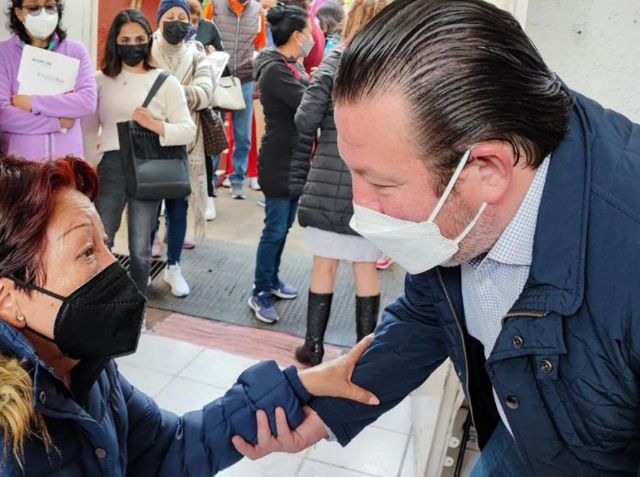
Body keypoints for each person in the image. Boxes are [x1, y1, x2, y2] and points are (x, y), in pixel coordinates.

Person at [233, 0, 640, 474]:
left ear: (487, 171)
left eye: (381, 184)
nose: (360, 207)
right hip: (521, 434)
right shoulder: (465, 210)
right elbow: (431, 310)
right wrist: (330, 407)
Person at [0, 156, 379, 475]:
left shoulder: (68, 356)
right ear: (3, 296)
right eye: (86, 252)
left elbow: (163, 448)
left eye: (106, 243)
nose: (115, 266)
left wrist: (294, 392)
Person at [293, 0, 387, 366]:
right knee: (365, 268)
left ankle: (312, 347)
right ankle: (365, 354)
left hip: (328, 179)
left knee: (324, 265)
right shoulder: (393, 67)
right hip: (372, 185)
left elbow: (305, 120)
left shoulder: (334, 62)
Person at [83, 10, 196, 293]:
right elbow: (87, 131)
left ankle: (137, 308)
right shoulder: (99, 80)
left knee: (140, 246)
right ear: (115, 42)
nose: (132, 45)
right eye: (125, 39)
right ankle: (100, 300)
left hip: (149, 169)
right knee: (101, 238)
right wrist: (89, 166)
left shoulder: (165, 82)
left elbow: (187, 130)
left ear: (148, 41)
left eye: (139, 39)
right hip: (110, 167)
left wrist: (156, 125)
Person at [247, 4, 314, 324]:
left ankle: (272, 280)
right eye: (309, 32)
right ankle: (259, 290)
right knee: (273, 230)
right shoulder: (275, 70)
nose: (313, 37)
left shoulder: (290, 65)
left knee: (284, 227)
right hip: (279, 160)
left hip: (296, 156)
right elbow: (308, 103)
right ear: (298, 35)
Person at [149, 0, 214, 297]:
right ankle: (145, 261)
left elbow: (205, 94)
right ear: (159, 20)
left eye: (182, 17)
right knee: (148, 206)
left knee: (178, 207)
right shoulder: (145, 51)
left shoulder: (198, 54)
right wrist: (180, 94)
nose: (176, 22)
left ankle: (174, 266)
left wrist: (168, 92)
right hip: (149, 142)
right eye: (170, 16)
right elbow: (138, 91)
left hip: (186, 144)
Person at [0, 0, 97, 162]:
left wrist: (32, 103)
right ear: (19, 13)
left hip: (68, 162)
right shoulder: (0, 53)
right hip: (21, 165)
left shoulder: (76, 51)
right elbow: (1, 115)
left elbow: (86, 102)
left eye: (50, 6)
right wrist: (57, 122)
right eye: (34, 8)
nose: (43, 14)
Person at [204, 0, 268, 199]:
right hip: (218, 78)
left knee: (244, 136)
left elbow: (260, 43)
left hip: (245, 80)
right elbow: (202, 36)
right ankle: (211, 179)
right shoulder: (214, 5)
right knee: (214, 132)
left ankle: (237, 178)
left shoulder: (258, 11)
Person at [189, 0, 225, 220]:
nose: (189, 25)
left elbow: (224, 64)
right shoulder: (163, 35)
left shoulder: (209, 29)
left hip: (203, 103)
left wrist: (212, 54)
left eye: (194, 20)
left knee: (207, 154)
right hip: (177, 105)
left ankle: (208, 196)